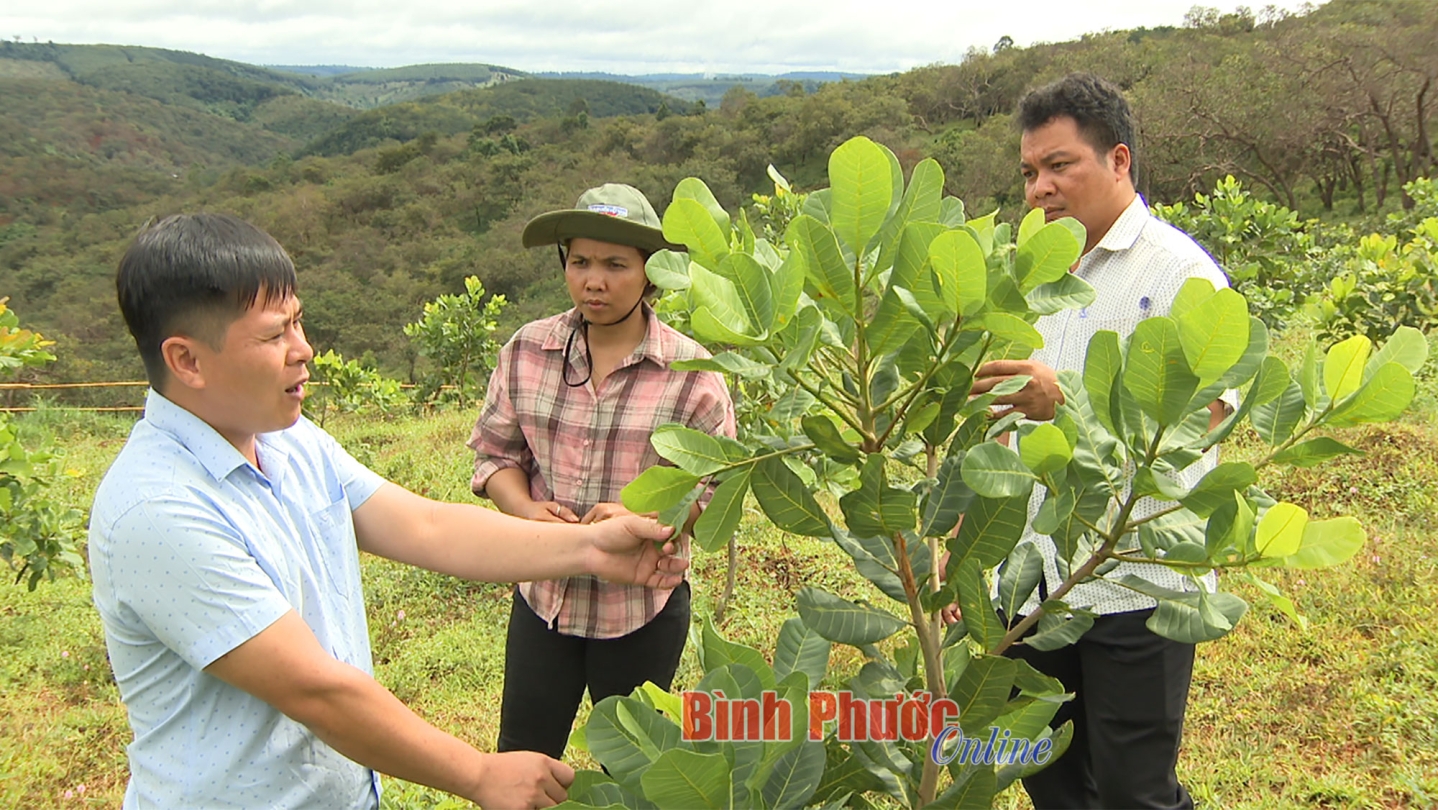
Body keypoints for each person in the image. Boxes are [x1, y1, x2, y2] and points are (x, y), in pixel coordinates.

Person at [88, 212, 690, 810]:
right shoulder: (157, 510)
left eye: (298, 324)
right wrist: (479, 774)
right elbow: (315, 690)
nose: (305, 351)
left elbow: (426, 526)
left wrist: (589, 548)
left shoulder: (287, 441)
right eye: (275, 336)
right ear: (187, 360)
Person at [967, 73, 1233, 810]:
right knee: (1048, 778)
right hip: (1034, 583)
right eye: (1028, 172)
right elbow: (997, 424)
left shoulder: (1181, 273)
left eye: (1059, 166)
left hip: (1137, 581)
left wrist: (1069, 405)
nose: (1038, 189)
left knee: (1133, 791)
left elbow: (1207, 421)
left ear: (1118, 161)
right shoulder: (1030, 279)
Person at [468, 183, 736, 759]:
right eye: (580, 261)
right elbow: (495, 454)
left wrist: (652, 514)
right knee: (523, 757)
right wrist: (523, 509)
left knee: (633, 770)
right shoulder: (527, 352)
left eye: (616, 264)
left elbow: (720, 490)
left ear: (651, 274)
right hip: (543, 595)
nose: (595, 281)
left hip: (640, 604)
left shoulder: (693, 376)